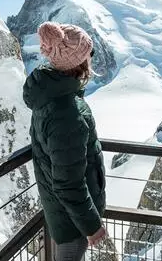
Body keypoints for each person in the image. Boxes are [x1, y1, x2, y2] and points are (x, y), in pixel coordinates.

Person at [23, 22, 106, 261]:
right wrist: (91, 226)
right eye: (89, 54)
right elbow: (68, 182)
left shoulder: (49, 96)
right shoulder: (68, 113)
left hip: (60, 212)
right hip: (72, 222)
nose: (91, 59)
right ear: (79, 62)